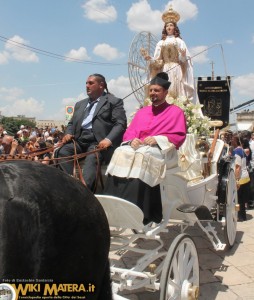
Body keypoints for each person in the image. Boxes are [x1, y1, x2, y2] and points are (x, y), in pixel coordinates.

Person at [103, 72, 186, 224]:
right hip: (139, 148)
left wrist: (157, 139)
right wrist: (131, 141)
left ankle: (142, 209)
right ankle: (114, 205)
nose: (153, 93)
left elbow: (179, 136)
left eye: (157, 90)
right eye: (151, 90)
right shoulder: (142, 112)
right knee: (120, 151)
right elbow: (130, 132)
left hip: (163, 151)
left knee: (144, 154)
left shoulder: (176, 112)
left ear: (165, 92)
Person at [56, 73, 127, 191]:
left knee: (92, 158)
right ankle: (66, 187)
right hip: (79, 140)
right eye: (86, 83)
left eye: (91, 83)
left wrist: (108, 139)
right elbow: (71, 123)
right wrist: (68, 133)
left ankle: (85, 192)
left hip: (98, 142)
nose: (87, 86)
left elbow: (120, 124)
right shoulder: (80, 104)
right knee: (61, 152)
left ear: (101, 85)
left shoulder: (114, 101)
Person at [143, 6, 195, 101]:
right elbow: (157, 60)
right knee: (165, 90)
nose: (169, 27)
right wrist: (150, 59)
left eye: (171, 25)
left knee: (177, 90)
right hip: (165, 69)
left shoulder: (180, 41)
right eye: (167, 26)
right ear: (165, 28)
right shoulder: (161, 43)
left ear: (175, 28)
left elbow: (184, 61)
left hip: (177, 69)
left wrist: (183, 56)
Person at [231, 134, 251, 221]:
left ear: (236, 141)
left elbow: (237, 167)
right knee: (242, 201)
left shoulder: (236, 151)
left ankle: (239, 216)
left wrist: (236, 179)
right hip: (246, 176)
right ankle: (242, 216)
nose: (231, 141)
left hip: (240, 178)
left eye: (232, 139)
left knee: (237, 200)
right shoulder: (242, 150)